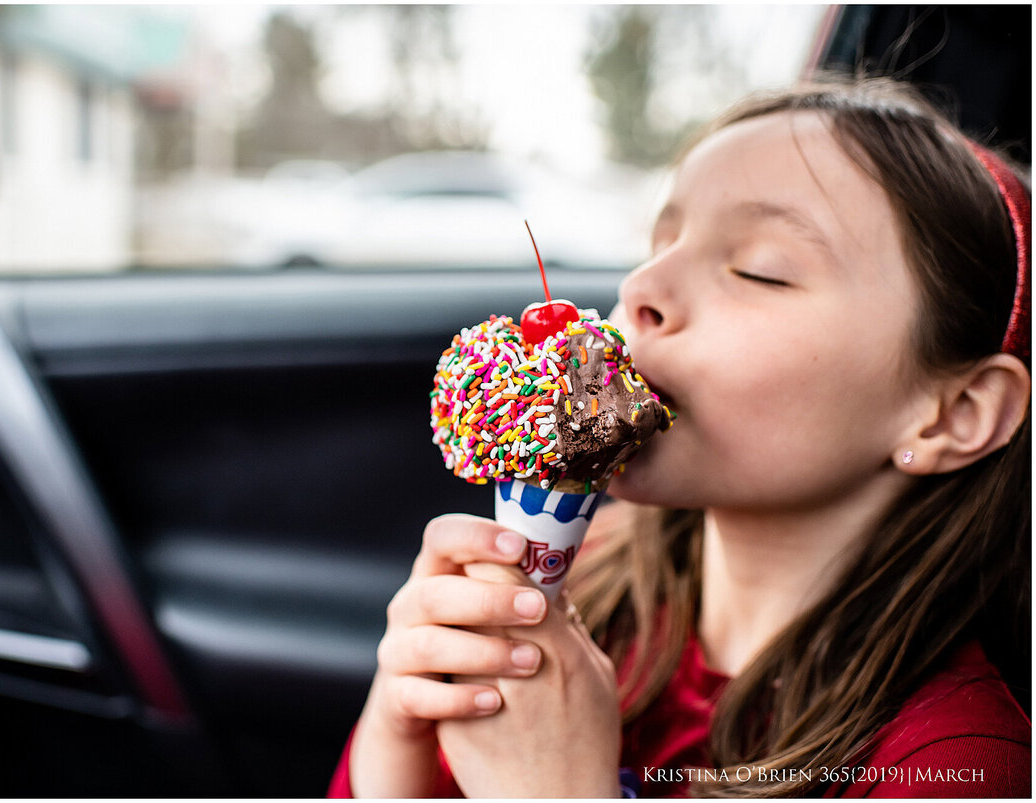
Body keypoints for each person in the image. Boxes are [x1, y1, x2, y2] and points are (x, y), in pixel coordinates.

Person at [328, 76, 1032, 798]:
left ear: (956, 412)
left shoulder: (959, 762)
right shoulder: (592, 572)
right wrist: (394, 738)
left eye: (760, 270)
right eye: (659, 244)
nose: (640, 288)